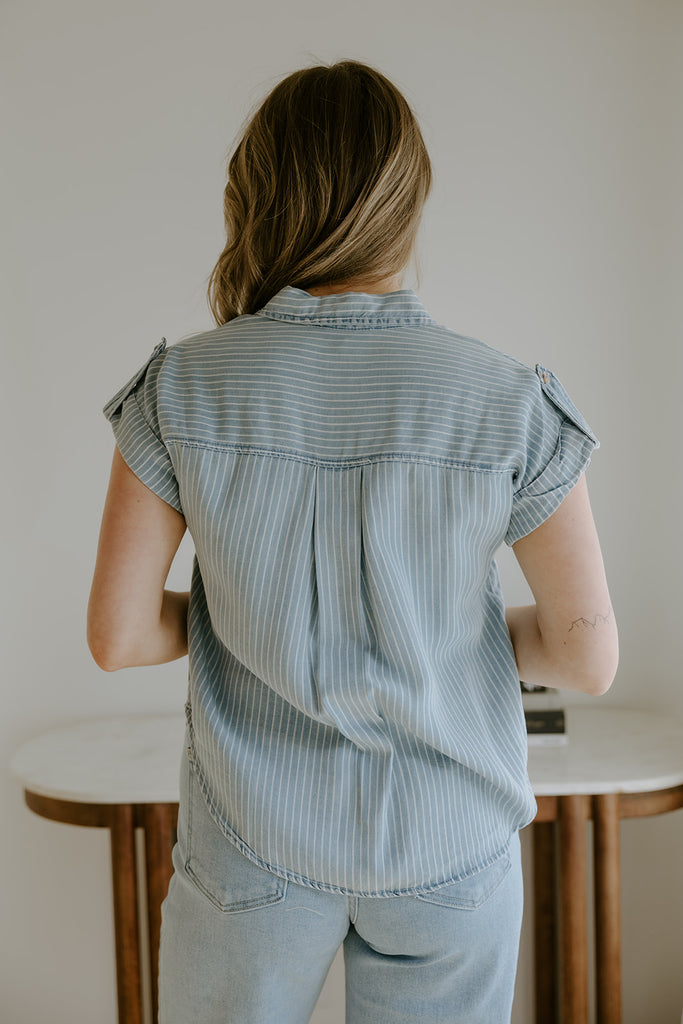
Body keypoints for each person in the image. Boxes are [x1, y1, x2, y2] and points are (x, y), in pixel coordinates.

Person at [87, 59, 618, 1024]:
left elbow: (118, 637)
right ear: (407, 206)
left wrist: (246, 610)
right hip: (448, 844)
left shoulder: (183, 388)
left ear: (258, 194)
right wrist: (437, 635)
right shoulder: (505, 400)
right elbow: (585, 657)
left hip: (252, 841)